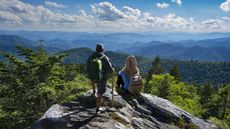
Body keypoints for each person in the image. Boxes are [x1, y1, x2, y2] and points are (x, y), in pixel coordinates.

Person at [87, 43, 114, 113]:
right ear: (103, 49)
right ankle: (97, 109)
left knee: (93, 81)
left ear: (96, 49)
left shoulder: (91, 56)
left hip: (93, 77)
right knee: (100, 94)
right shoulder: (104, 57)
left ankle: (93, 92)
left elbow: (88, 66)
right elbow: (110, 70)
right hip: (102, 79)